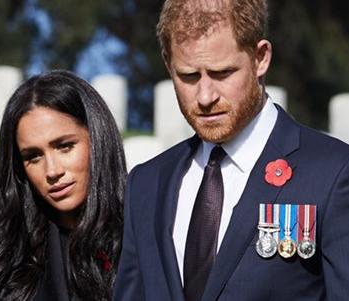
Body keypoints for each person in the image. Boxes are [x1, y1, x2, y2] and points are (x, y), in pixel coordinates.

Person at [114, 0, 349, 300]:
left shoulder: (333, 173)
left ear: (260, 58)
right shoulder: (146, 184)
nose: (205, 96)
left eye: (222, 73)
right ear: (167, 63)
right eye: (188, 76)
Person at [0, 70, 127, 301]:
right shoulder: (9, 268)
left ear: (97, 139)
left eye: (65, 146)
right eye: (33, 157)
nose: (52, 171)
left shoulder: (143, 240)